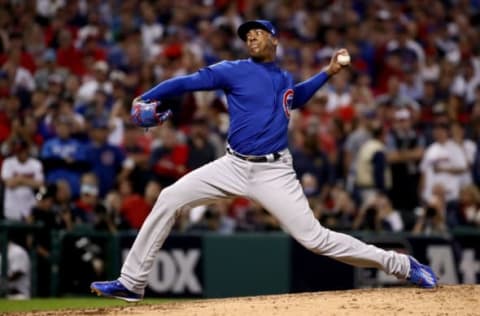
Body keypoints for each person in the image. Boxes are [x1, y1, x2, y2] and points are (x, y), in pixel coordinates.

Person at [91, 20, 437, 302]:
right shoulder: (233, 70)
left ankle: (402, 265)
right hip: (232, 165)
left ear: (274, 40)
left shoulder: (282, 77)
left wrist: (327, 73)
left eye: (258, 33)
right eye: (247, 35)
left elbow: (294, 98)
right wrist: (148, 96)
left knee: (314, 238)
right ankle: (132, 282)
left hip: (274, 171)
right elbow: (186, 82)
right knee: (169, 198)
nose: (251, 37)